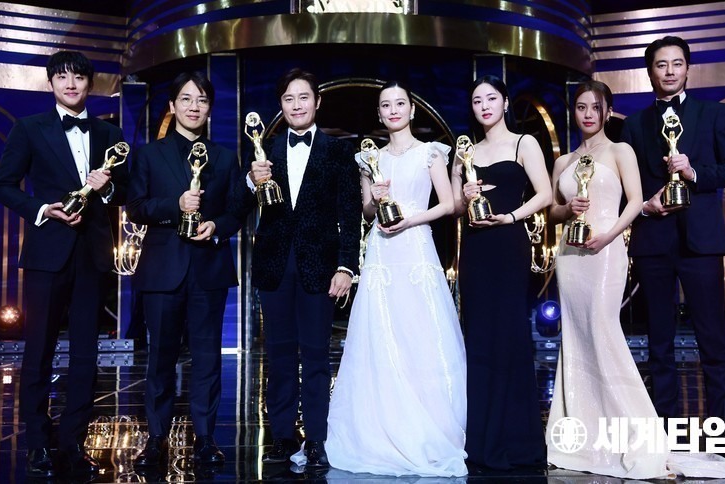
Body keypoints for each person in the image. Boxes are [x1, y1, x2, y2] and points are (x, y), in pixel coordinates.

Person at [547, 80, 725, 478]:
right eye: (581, 107)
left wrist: (610, 235)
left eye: (595, 107)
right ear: (573, 112)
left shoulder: (621, 150)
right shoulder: (563, 161)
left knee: (604, 331)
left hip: (605, 251)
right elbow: (552, 211)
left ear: (607, 112)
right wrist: (568, 210)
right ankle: (586, 433)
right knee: (577, 338)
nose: (588, 114)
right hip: (570, 255)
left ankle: (640, 431)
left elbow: (635, 200)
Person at [325, 80, 467, 477]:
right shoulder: (370, 158)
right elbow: (368, 213)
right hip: (382, 253)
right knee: (380, 334)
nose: (393, 110)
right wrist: (376, 196)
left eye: (400, 103)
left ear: (412, 109)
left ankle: (428, 426)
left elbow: (448, 204)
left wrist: (410, 219)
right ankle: (379, 427)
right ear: (379, 113)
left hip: (416, 249)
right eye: (386, 105)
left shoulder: (431, 152)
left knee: (420, 333)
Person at [0, 50, 128, 478]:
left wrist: (107, 189)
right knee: (39, 350)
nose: (71, 84)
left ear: (90, 84)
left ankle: (73, 442)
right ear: (51, 83)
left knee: (87, 354)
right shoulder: (29, 128)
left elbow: (124, 192)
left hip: (92, 254)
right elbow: (3, 184)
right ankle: (37, 442)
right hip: (47, 254)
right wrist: (41, 209)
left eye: (79, 77)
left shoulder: (110, 133)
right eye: (63, 77)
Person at [620, 36, 725, 442]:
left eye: (677, 63)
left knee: (713, 342)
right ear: (650, 71)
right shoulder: (633, 125)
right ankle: (664, 435)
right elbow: (627, 186)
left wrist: (694, 173)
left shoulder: (714, 113)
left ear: (688, 69)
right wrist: (645, 205)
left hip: (701, 244)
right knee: (658, 344)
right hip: (653, 242)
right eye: (662, 65)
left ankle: (724, 436)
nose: (670, 71)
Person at [231, 68, 361, 468]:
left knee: (317, 356)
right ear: (281, 105)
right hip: (273, 266)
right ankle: (282, 437)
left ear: (317, 102)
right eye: (289, 99)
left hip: (320, 268)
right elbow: (238, 205)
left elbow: (350, 213)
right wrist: (251, 181)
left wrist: (346, 266)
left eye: (304, 97)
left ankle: (317, 439)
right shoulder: (264, 148)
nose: (297, 105)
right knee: (279, 355)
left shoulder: (338, 151)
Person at [127, 71, 243, 468]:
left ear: (210, 109)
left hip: (209, 269)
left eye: (202, 100)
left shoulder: (225, 157)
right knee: (160, 358)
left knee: (208, 358)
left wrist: (217, 227)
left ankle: (206, 439)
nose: (194, 107)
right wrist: (174, 205)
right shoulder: (149, 155)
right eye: (187, 99)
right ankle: (156, 437)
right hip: (162, 270)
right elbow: (136, 207)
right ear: (172, 105)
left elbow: (236, 211)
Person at [450, 75, 552, 470]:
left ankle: (517, 441)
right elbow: (456, 208)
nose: (485, 106)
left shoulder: (525, 143)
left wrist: (511, 216)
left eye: (491, 98)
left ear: (505, 102)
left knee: (510, 336)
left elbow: (545, 193)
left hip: (509, 244)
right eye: (477, 101)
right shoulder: (466, 150)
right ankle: (481, 441)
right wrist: (464, 194)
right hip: (476, 249)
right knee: (478, 339)